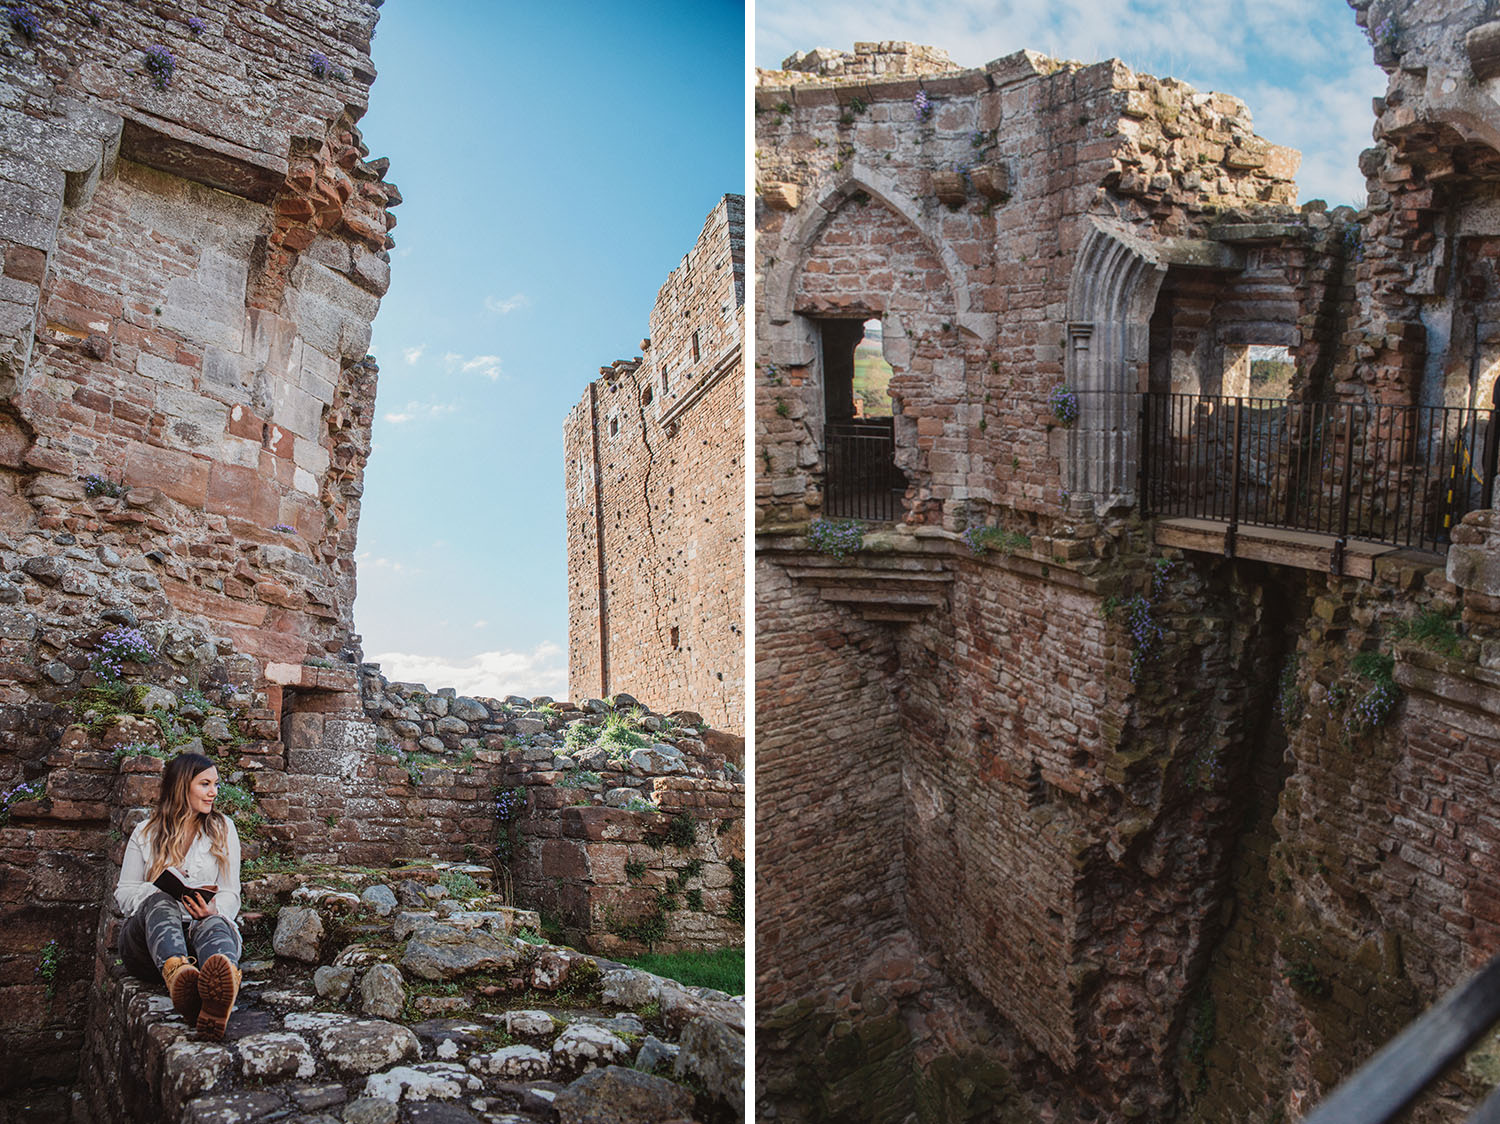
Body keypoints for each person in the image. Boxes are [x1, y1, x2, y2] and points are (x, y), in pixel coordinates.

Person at [114, 752, 243, 1039]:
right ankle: (178, 976)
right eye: (205, 784)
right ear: (182, 787)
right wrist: (159, 887)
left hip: (198, 931)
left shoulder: (223, 829)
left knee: (215, 923)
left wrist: (213, 910)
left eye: (216, 784)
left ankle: (219, 991)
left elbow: (231, 891)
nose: (214, 793)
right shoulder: (145, 833)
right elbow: (123, 894)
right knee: (160, 901)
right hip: (148, 946)